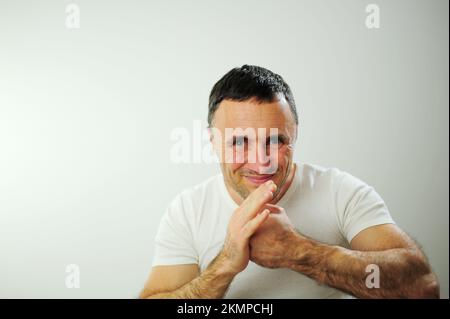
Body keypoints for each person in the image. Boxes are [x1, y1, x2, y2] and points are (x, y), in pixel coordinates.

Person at [140, 65, 439, 298]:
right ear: (213, 141)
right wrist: (225, 264)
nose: (260, 162)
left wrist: (297, 252)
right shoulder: (187, 210)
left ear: (294, 135)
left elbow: (422, 288)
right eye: (240, 142)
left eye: (275, 140)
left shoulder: (341, 192)